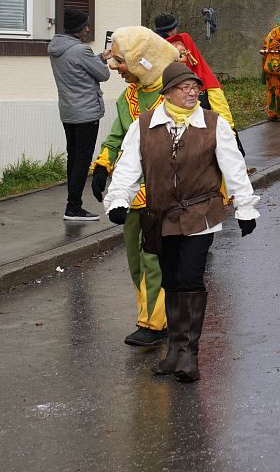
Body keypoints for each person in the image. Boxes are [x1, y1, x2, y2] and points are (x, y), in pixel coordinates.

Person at [103, 62, 258, 382]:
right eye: (184, 87)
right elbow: (128, 165)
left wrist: (245, 208)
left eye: (195, 87)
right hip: (159, 215)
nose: (192, 92)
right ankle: (174, 350)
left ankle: (189, 354)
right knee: (170, 279)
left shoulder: (214, 124)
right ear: (167, 92)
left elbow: (234, 167)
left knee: (189, 277)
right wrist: (118, 200)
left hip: (201, 214)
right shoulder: (144, 125)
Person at [91, 27, 181, 347]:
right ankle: (152, 314)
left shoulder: (173, 95)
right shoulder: (128, 97)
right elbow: (117, 135)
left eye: (121, 61)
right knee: (134, 258)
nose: (116, 69)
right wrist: (102, 165)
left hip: (164, 191)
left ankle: (155, 324)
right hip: (130, 193)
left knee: (153, 256)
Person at [47, 8, 111, 221]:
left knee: (73, 158)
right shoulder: (80, 50)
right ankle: (74, 208)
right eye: (86, 26)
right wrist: (101, 61)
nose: (88, 29)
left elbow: (80, 68)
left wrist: (99, 57)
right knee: (82, 161)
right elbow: (103, 74)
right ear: (78, 29)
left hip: (68, 111)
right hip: (86, 113)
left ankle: (72, 204)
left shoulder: (57, 48)